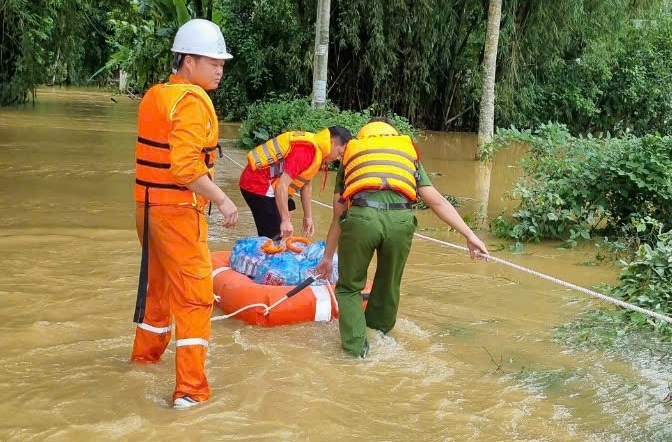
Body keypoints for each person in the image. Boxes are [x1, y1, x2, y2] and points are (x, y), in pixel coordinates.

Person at [131, 18, 238, 410]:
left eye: (222, 63)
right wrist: (223, 200)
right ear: (188, 61)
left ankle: (143, 362)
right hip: (176, 212)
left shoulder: (155, 95)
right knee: (195, 299)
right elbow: (186, 169)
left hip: (146, 209)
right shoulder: (192, 101)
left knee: (157, 291)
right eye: (213, 61)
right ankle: (190, 391)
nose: (220, 68)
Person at [314, 119, 489, 358]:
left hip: (362, 220)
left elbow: (339, 213)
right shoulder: (406, 155)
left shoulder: (352, 155)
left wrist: (327, 257)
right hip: (401, 222)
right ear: (393, 137)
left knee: (349, 289)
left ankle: (356, 353)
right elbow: (436, 201)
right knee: (388, 285)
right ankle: (380, 336)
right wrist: (469, 235)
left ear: (363, 138)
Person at [239, 127, 352, 239]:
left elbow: (306, 184)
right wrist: (285, 220)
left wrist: (308, 217)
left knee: (290, 206)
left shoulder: (317, 149)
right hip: (256, 184)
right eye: (340, 153)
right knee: (275, 234)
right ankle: (270, 242)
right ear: (332, 143)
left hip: (265, 183)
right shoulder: (307, 150)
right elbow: (281, 186)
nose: (338, 158)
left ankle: (275, 234)